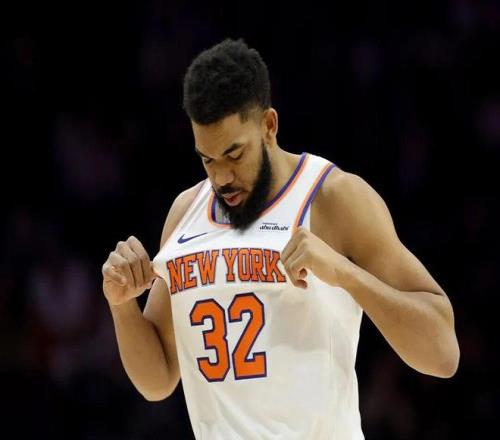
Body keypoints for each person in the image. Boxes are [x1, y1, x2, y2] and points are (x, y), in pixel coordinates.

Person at [102, 38, 460, 439]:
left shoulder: (333, 198)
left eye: (235, 154)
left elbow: (443, 353)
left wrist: (346, 275)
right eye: (207, 159)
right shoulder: (185, 212)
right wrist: (122, 306)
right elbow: (158, 380)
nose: (221, 177)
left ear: (269, 126)